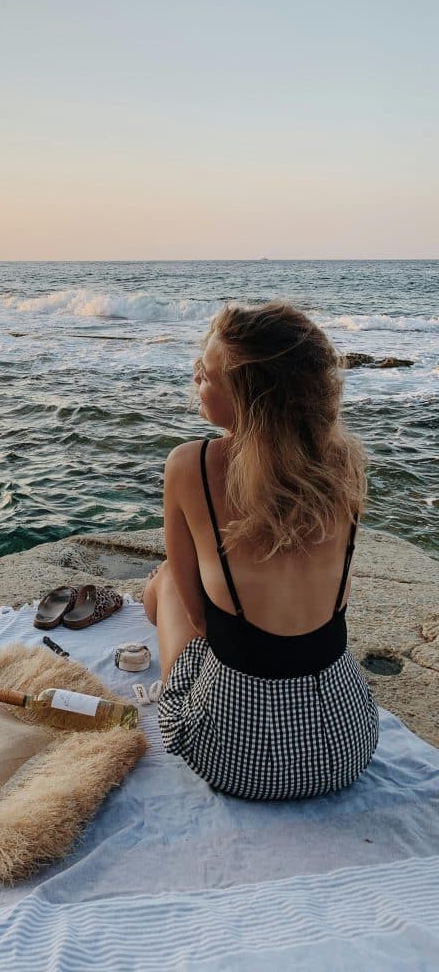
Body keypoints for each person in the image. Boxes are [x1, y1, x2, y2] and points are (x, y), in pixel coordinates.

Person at [143, 301, 378, 800]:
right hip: (345, 741)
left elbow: (202, 621)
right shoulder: (347, 465)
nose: (195, 379)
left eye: (205, 376)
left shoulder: (192, 465)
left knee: (164, 583)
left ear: (250, 399)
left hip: (234, 755)